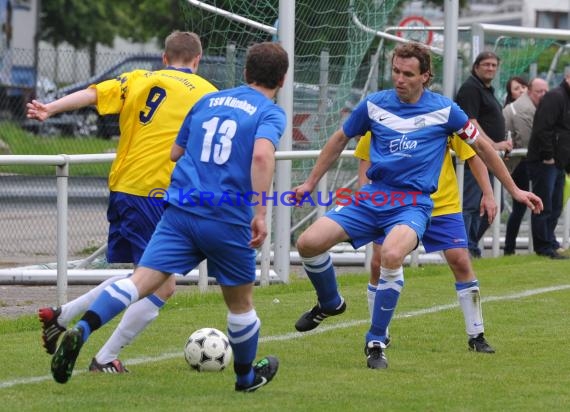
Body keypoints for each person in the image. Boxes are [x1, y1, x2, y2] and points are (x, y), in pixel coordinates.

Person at [49, 41, 289, 391]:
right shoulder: (269, 113)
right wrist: (261, 212)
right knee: (241, 305)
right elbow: (262, 158)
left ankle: (82, 329)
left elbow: (177, 151)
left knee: (138, 283)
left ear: (245, 72)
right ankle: (246, 378)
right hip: (226, 218)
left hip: (180, 211)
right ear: (281, 81)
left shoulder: (208, 101)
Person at [290, 42, 542, 370]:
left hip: (413, 204)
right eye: (396, 71)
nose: (399, 79)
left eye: (408, 74)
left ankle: (377, 340)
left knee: (395, 256)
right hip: (373, 199)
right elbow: (340, 140)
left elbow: (481, 147)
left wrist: (512, 189)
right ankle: (331, 302)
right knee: (307, 243)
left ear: (425, 76)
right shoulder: (374, 105)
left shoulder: (445, 110)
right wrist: (309, 183)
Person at [26, 31, 218, 372]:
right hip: (156, 192)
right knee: (161, 284)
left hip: (125, 186)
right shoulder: (207, 93)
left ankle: (61, 316)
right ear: (197, 60)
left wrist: (49, 108)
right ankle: (103, 357)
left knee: (141, 278)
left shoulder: (138, 78)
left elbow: (91, 94)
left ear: (164, 57)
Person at [355, 131, 497, 353]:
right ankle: (379, 334)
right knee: (378, 263)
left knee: (460, 260)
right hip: (395, 205)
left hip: (443, 205)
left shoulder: (443, 115)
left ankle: (477, 335)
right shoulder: (383, 116)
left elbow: (473, 154)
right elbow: (366, 159)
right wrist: (366, 196)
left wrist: (488, 193)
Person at [455, 51, 513, 258]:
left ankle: (470, 245)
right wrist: (493, 145)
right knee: (470, 205)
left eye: (493, 65)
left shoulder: (487, 89)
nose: (490, 68)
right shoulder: (470, 89)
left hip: (488, 158)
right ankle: (465, 248)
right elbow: (471, 123)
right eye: (486, 64)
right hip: (473, 157)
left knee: (491, 205)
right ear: (476, 66)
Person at [526, 67, 570, 259]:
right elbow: (543, 128)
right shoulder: (555, 97)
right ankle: (543, 246)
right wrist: (548, 155)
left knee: (556, 204)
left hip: (558, 162)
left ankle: (549, 242)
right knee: (544, 204)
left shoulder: (563, 98)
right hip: (546, 161)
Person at [503, 78, 549, 255]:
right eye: (517, 88)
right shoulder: (521, 109)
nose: (520, 91)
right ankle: (508, 248)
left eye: (522, 87)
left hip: (519, 161)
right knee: (520, 206)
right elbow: (526, 139)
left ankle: (509, 248)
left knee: (521, 206)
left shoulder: (522, 107)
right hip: (519, 162)